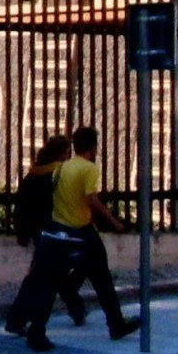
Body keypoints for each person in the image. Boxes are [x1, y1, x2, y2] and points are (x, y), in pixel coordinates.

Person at [52, 125, 140, 342]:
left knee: (58, 274)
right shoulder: (89, 169)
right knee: (102, 278)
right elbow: (91, 199)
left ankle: (68, 305)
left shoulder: (61, 168)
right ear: (93, 147)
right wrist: (114, 222)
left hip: (61, 227)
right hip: (82, 230)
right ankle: (116, 323)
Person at [4, 135, 88, 351]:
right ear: (61, 153)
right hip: (56, 233)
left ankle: (19, 320)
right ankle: (36, 329)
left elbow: (21, 205)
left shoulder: (34, 175)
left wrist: (22, 231)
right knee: (48, 281)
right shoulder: (60, 175)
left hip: (38, 232)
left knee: (43, 277)